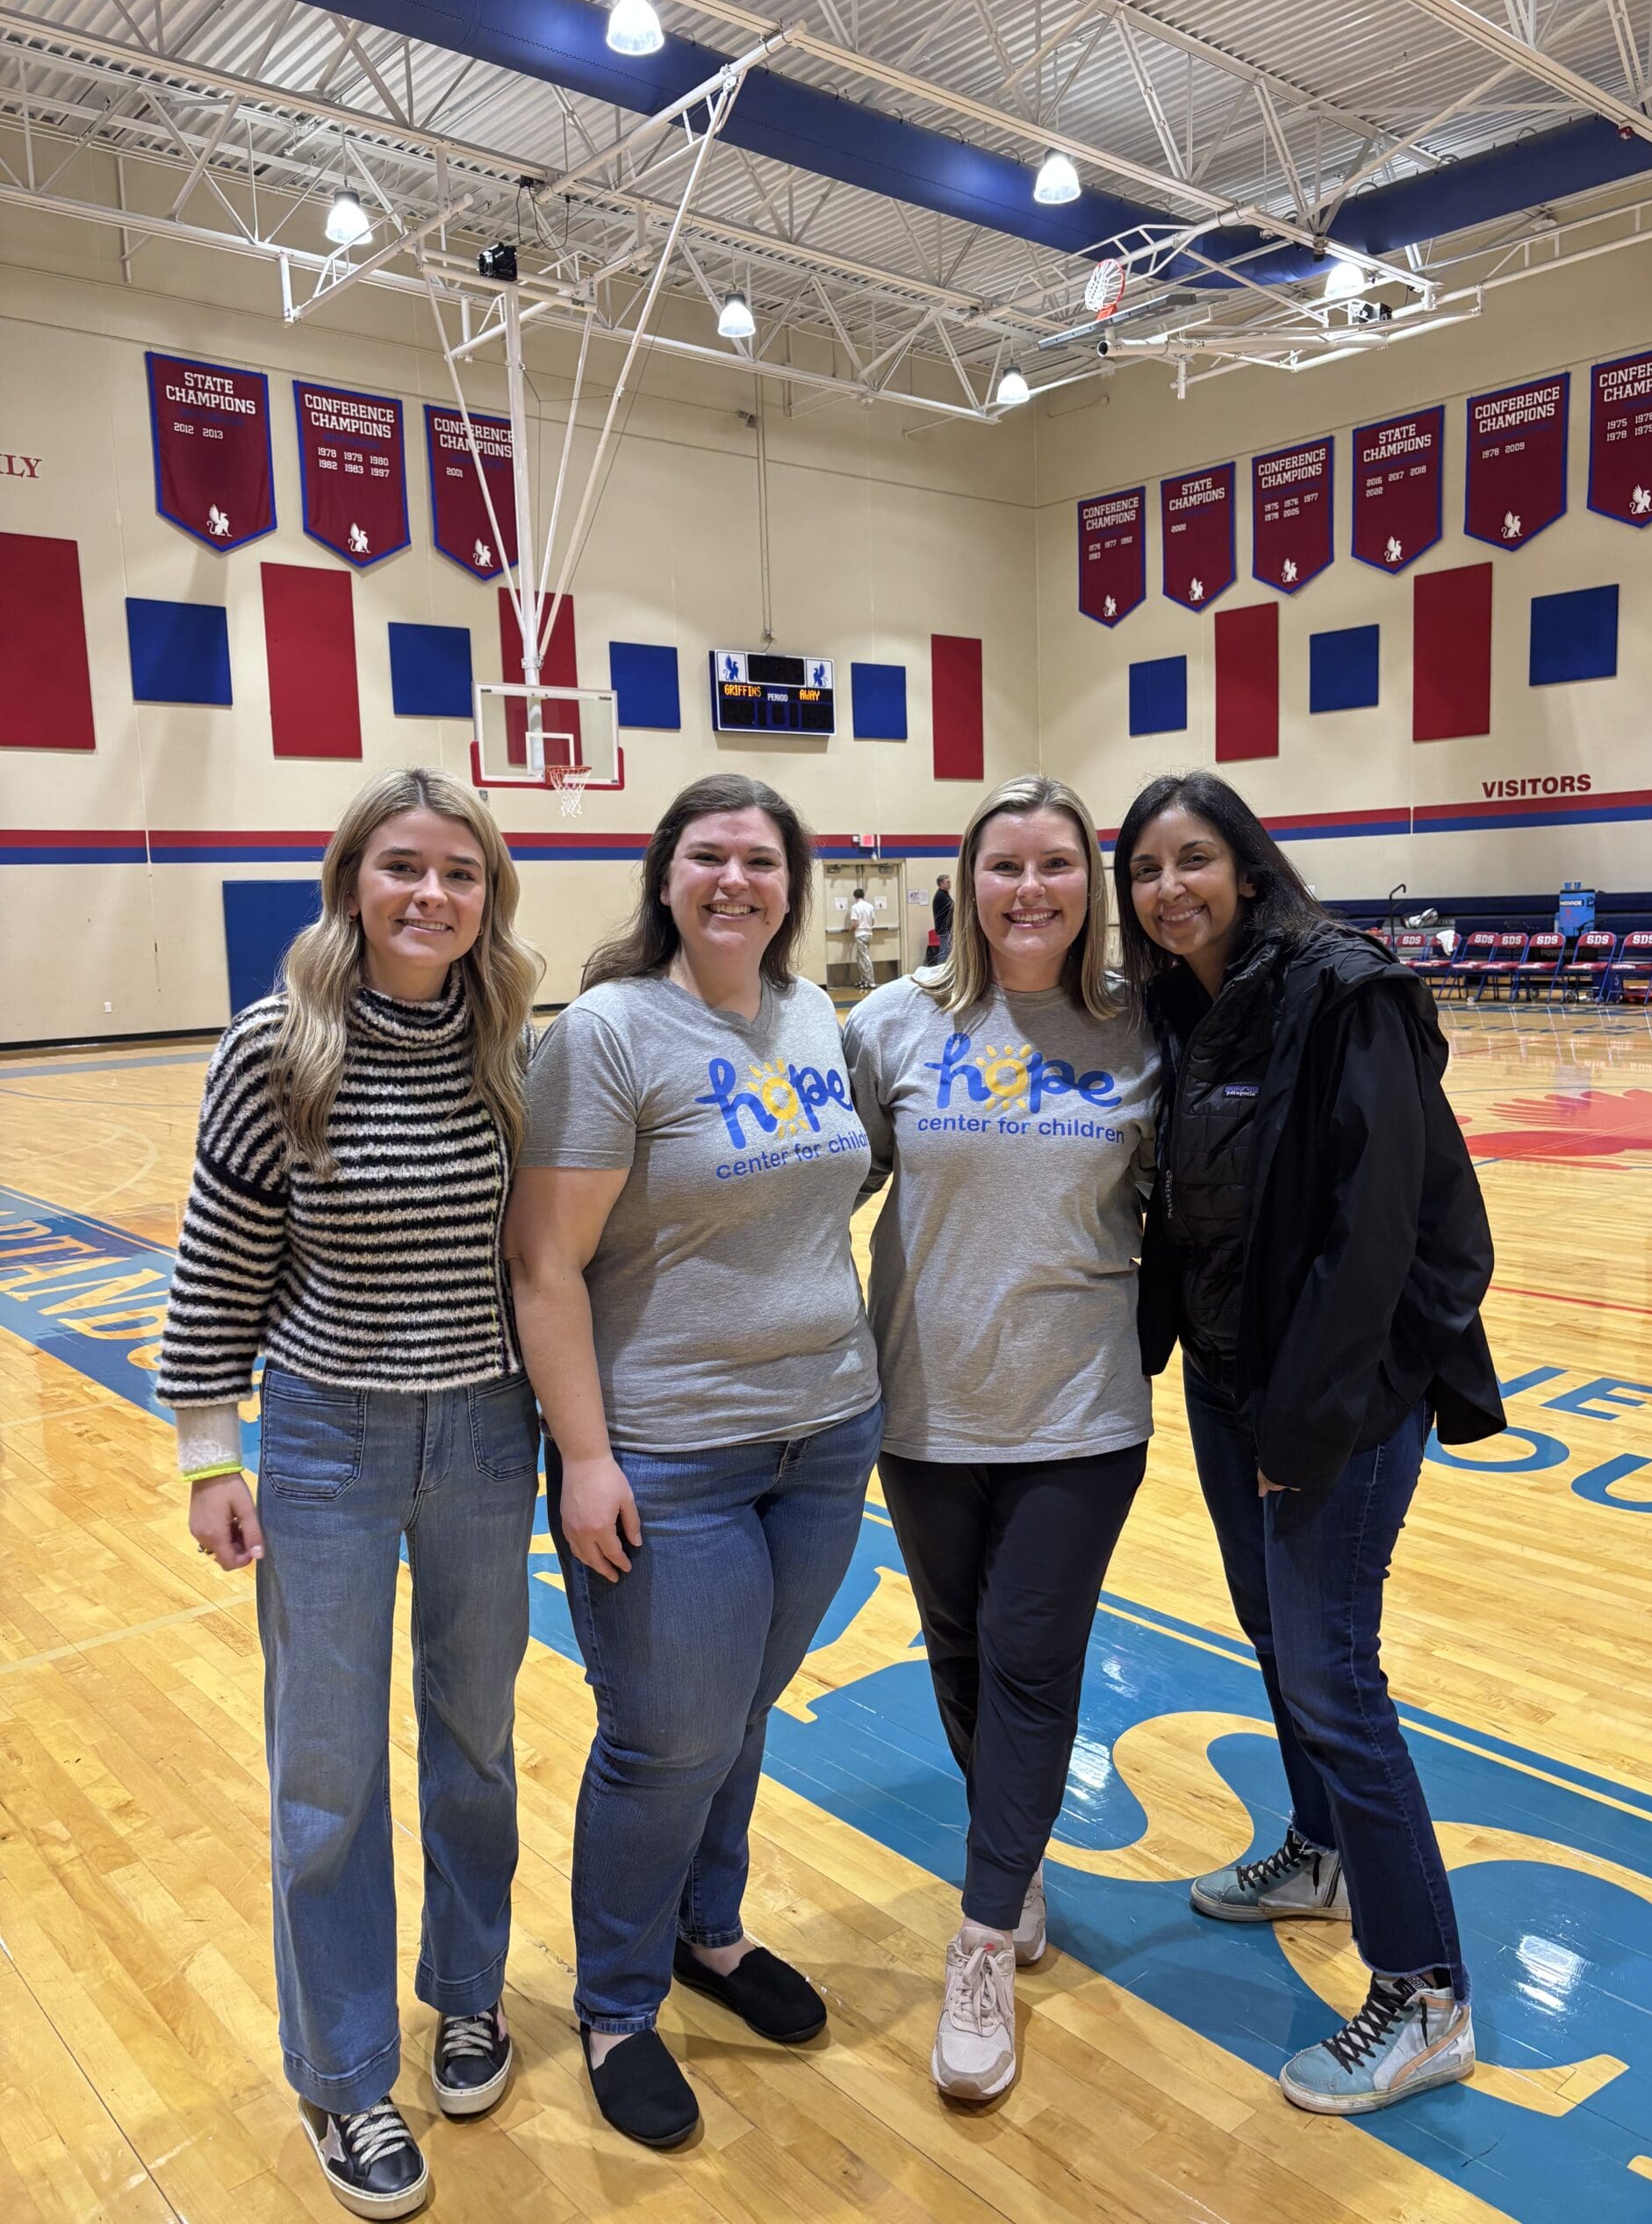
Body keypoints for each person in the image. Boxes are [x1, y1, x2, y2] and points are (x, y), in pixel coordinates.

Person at [157, 768, 545, 2220]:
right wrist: (211, 1453)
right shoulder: (280, 1046)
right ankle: (341, 2076)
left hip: (488, 1437)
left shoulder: (511, 1039)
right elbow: (215, 1265)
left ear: (488, 895)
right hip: (326, 1439)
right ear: (353, 882)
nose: (431, 895)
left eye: (459, 872)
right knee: (326, 1775)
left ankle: (467, 1997)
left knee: (476, 1741)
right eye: (404, 868)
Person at [1115, 770, 1505, 2118]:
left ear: (1247, 865)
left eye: (1194, 860)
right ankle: (1321, 1851)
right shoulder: (1188, 1011)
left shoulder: (1345, 993)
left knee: (1336, 1677)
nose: (1171, 888)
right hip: (1233, 1390)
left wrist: (1309, 1421)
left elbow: (1382, 1224)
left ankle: (1430, 1997)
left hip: (1333, 1401)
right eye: (1148, 869)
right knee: (1281, 1644)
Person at [505, 774, 882, 2148]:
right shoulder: (607, 1034)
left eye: (762, 860)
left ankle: (706, 1935)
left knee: (743, 1712)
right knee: (667, 1739)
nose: (737, 881)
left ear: (792, 884)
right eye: (709, 857)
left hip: (826, 1435)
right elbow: (545, 1263)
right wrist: (587, 1455)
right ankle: (616, 2000)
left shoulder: (811, 1014)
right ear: (665, 876)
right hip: (670, 1452)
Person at [843, 774, 1159, 2103]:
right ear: (963, 886)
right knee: (960, 1647)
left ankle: (980, 1943)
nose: (1030, 890)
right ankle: (1011, 1853)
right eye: (1004, 867)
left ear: (1090, 886)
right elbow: (814, 1186)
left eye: (1056, 866)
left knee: (1032, 1658)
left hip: (1081, 1414)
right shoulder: (890, 1027)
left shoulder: (1144, 1027)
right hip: (922, 1409)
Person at [849, 883, 877, 990]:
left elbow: (855, 924)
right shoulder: (870, 906)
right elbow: (873, 921)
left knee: (864, 957)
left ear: (855, 897)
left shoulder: (855, 907)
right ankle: (865, 979)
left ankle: (871, 981)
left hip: (860, 934)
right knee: (860, 957)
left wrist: (850, 931)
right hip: (869, 933)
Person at [931, 873, 954, 963]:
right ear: (941, 883)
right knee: (945, 952)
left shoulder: (945, 894)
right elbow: (953, 907)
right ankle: (941, 971)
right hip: (944, 929)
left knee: (947, 951)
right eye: (947, 882)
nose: (950, 884)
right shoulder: (941, 896)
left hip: (947, 927)